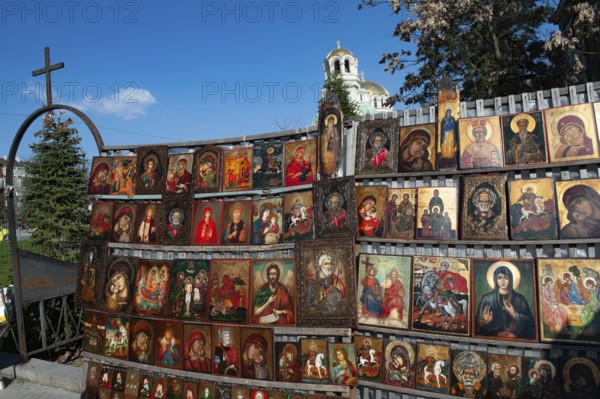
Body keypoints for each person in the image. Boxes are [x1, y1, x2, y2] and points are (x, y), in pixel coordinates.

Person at [475, 264, 536, 339]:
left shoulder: (520, 299)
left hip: (515, 338)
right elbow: (476, 324)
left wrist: (514, 314)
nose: (502, 281)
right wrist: (485, 321)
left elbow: (530, 324)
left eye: (506, 278)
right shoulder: (487, 298)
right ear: (495, 280)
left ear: (510, 280)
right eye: (499, 278)